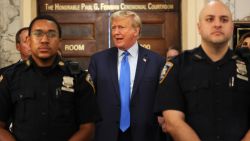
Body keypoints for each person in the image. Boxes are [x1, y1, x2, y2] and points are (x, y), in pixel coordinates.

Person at [155, 1, 250, 141]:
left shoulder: (247, 65)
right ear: (199, 27)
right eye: (210, 19)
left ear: (232, 27)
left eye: (224, 19)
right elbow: (173, 122)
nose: (217, 24)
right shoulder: (177, 66)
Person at [0, 15, 99, 141]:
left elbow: (88, 127)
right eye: (38, 34)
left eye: (51, 34)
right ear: (29, 40)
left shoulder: (79, 77)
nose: (45, 40)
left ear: (59, 41)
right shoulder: (10, 77)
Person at [88, 10, 165, 141]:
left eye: (121, 27)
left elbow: (162, 100)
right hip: (107, 134)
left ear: (136, 31)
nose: (116, 32)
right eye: (113, 28)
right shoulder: (98, 60)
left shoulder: (157, 61)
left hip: (145, 134)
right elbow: (89, 99)